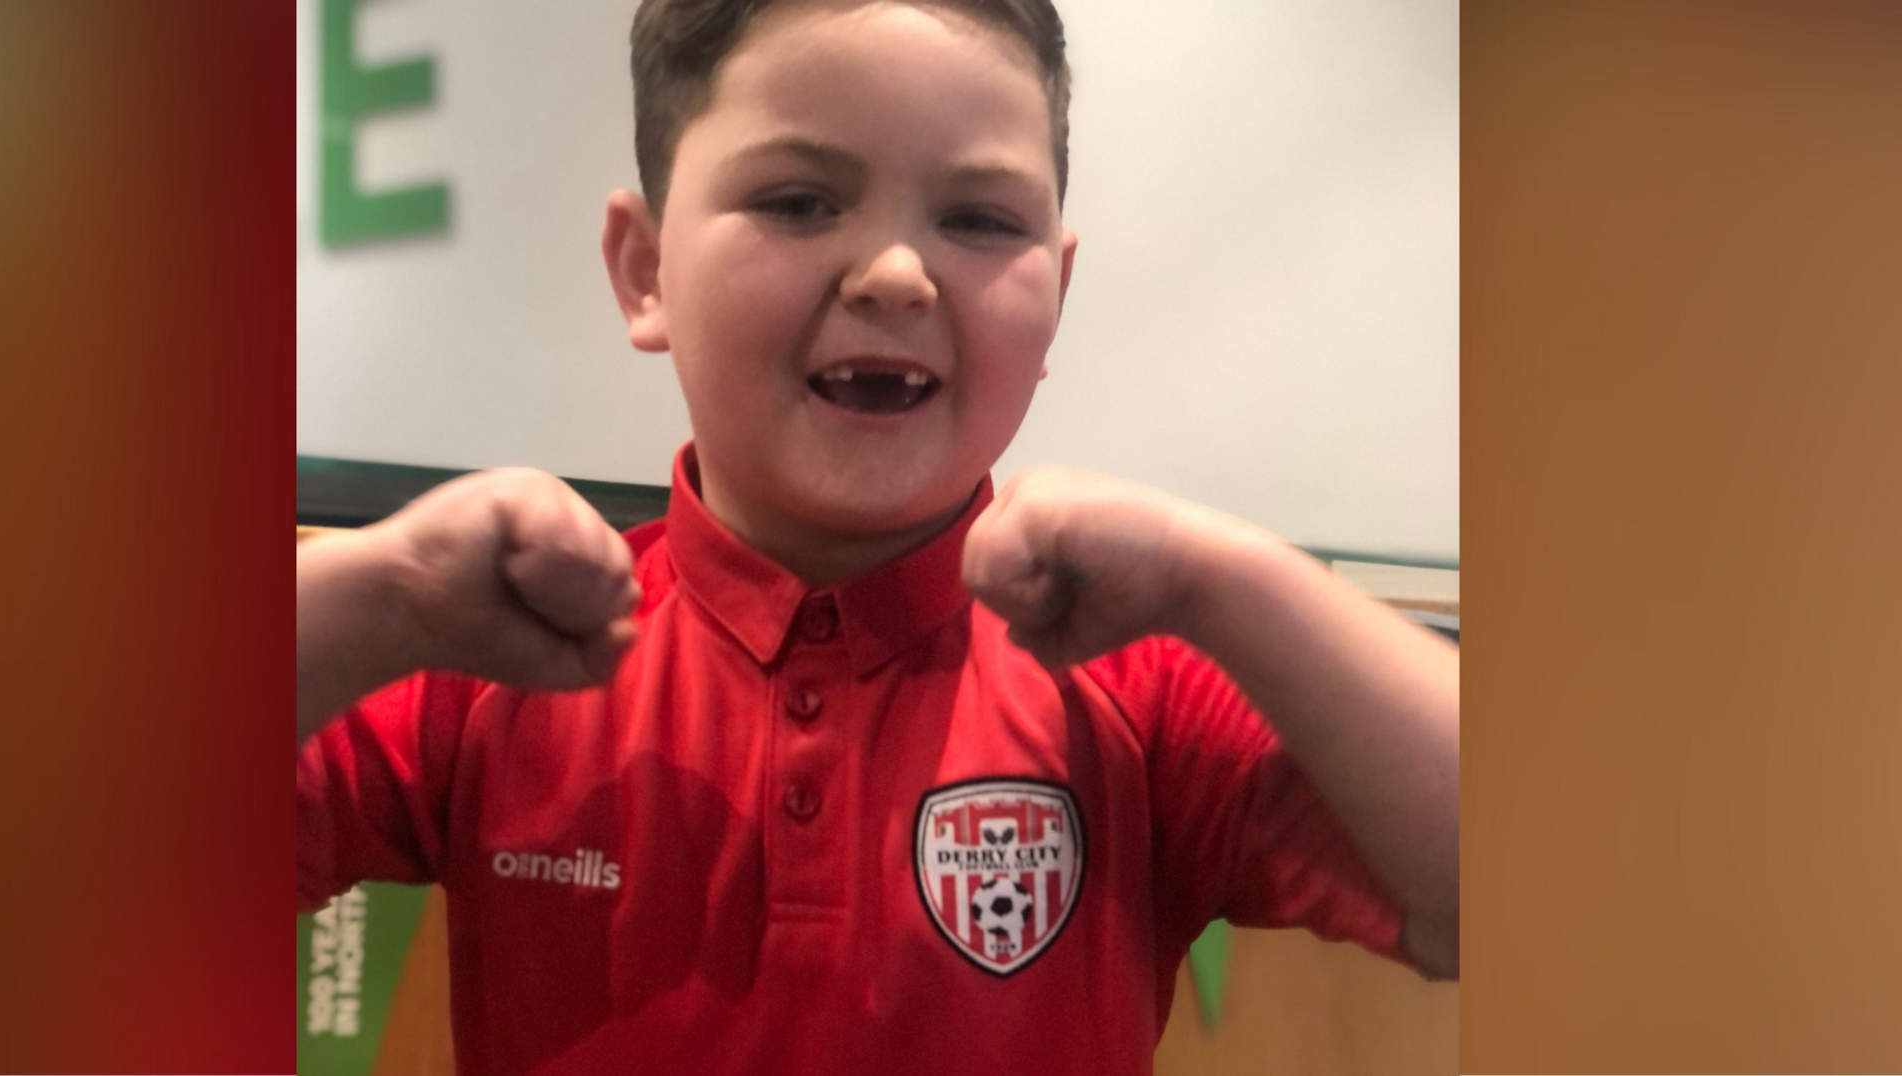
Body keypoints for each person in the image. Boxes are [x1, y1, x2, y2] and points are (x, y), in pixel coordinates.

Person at [296, 0, 1459, 1071]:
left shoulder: (1144, 678)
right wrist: (374, 592)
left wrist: (1229, 577)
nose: (897, 273)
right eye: (798, 200)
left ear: (1054, 294)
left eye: (976, 217)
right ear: (645, 268)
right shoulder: (490, 651)